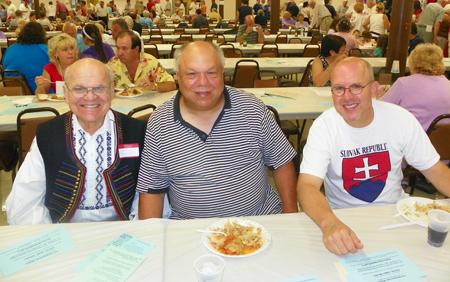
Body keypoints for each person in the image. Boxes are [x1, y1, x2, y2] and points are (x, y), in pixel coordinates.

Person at [297, 57, 450, 255]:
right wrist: (329, 223)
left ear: (374, 89)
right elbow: (307, 186)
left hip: (396, 213)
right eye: (338, 88)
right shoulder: (323, 127)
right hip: (342, 217)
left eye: (356, 87)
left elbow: (435, 170)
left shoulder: (400, 118)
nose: (347, 96)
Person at [136, 41, 298, 220]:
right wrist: (150, 237)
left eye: (211, 73)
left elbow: (282, 162)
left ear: (222, 73)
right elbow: (152, 190)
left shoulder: (252, 109)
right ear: (178, 77)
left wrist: (291, 218)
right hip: (191, 228)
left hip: (259, 219)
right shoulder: (160, 123)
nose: (203, 83)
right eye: (192, 74)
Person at [6, 58, 147, 225]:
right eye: (79, 89)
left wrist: (136, 230)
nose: (90, 97)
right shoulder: (48, 135)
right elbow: (26, 199)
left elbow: (149, 193)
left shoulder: (137, 131)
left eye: (99, 88)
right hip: (62, 230)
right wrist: (51, 238)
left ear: (111, 91)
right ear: (66, 94)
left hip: (123, 228)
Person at [379, 44, 450, 131]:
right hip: (442, 141)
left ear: (413, 63)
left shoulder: (403, 84)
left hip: (412, 140)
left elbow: (379, 109)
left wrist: (379, 96)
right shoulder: (447, 83)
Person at [108, 31, 176, 92]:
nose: (119, 53)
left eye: (124, 49)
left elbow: (172, 85)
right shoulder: (113, 63)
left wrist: (154, 86)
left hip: (147, 105)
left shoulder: (150, 62)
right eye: (118, 48)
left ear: (136, 50)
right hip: (120, 105)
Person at [3, 22, 50, 93]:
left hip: (12, 90)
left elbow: (4, 66)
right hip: (38, 90)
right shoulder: (45, 50)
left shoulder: (10, 49)